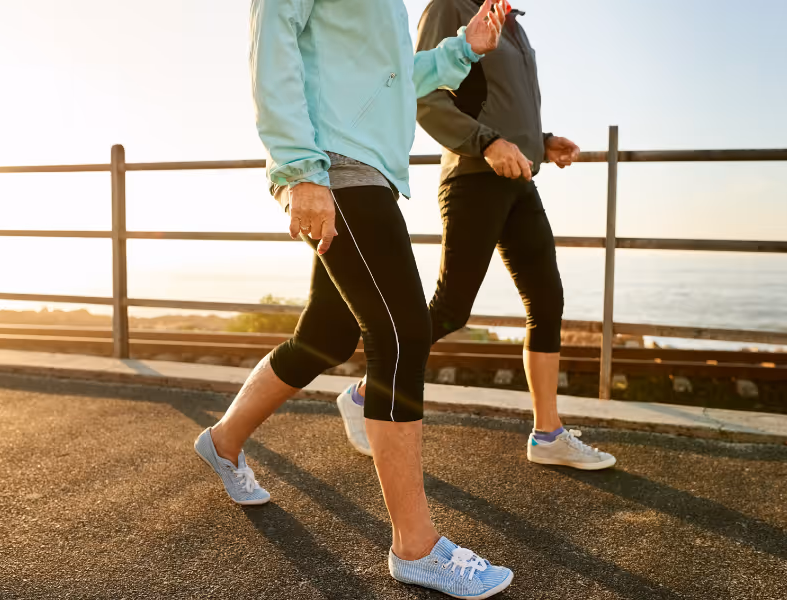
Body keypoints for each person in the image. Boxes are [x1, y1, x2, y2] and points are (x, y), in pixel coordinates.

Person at [194, 0, 516, 597]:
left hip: (367, 167)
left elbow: (393, 78)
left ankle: (222, 441)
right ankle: (415, 548)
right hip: (334, 164)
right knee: (401, 333)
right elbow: (272, 42)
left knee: (327, 335)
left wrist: (463, 49)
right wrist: (299, 170)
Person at [336, 0, 616, 471]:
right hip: (472, 176)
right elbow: (419, 93)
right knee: (451, 307)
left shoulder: (514, 23)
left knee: (547, 302)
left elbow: (498, 97)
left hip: (519, 178)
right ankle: (365, 394)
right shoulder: (449, 7)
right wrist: (485, 142)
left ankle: (548, 434)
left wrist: (538, 141)